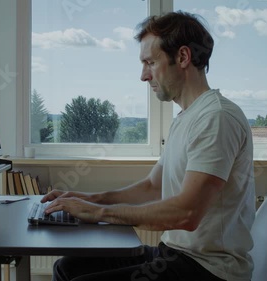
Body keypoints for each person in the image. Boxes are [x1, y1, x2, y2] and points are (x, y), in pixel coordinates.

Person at [41, 10, 255, 281]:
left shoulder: (216, 118)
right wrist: (87, 198)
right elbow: (152, 187)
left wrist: (98, 213)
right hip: (175, 255)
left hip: (208, 270)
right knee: (67, 267)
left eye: (150, 63)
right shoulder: (187, 117)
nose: (144, 76)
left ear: (183, 57)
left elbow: (186, 214)